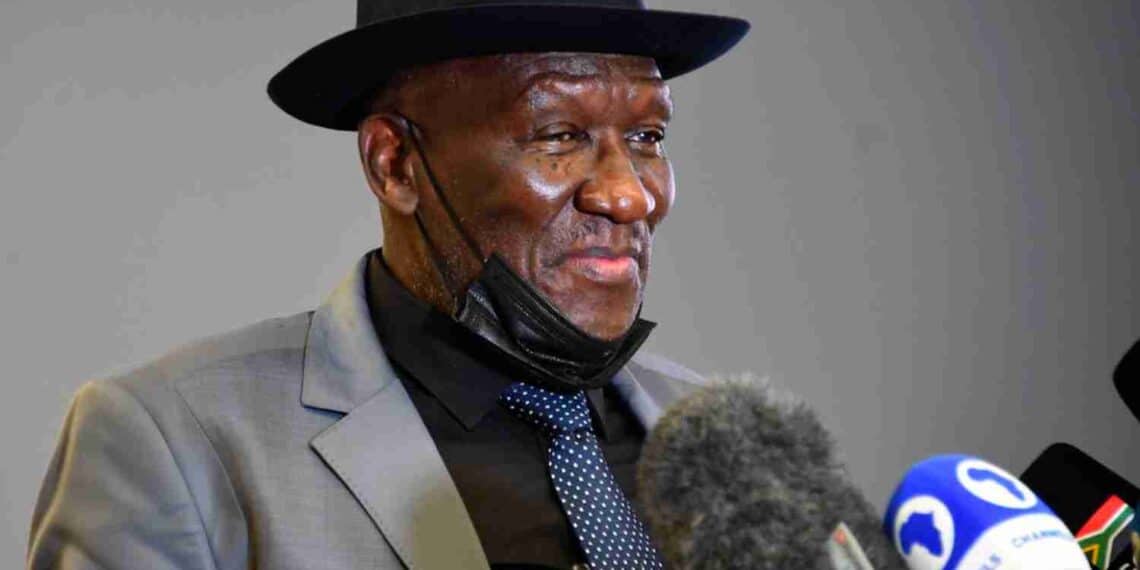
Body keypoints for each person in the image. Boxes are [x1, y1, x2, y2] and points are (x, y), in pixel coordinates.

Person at [26, 1, 749, 568]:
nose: (629, 195)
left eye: (648, 138)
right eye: (559, 135)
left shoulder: (735, 445)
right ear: (395, 163)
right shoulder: (172, 443)